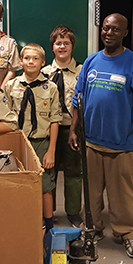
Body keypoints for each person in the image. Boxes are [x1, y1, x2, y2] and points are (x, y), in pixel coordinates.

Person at [68, 13, 133, 259]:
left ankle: (128, 234)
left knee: (122, 194)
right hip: (91, 141)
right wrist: (73, 129)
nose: (108, 33)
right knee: (90, 193)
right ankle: (91, 229)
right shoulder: (91, 61)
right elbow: (78, 99)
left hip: (121, 143)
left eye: (115, 29)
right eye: (105, 28)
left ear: (125, 32)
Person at [4, 43, 62, 232]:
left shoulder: (51, 87)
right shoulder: (11, 86)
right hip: (17, 141)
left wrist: (51, 150)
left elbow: (55, 120)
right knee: (17, 183)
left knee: (45, 185)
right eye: (27, 58)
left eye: (35, 58)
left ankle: (49, 224)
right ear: (20, 61)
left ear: (43, 62)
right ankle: (22, 217)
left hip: (41, 143)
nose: (31, 61)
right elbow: (5, 115)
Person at [41, 25, 83, 228]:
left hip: (72, 128)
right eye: (58, 43)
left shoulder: (82, 72)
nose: (62, 46)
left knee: (74, 171)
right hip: (49, 130)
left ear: (72, 46)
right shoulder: (44, 73)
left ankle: (74, 212)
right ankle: (49, 211)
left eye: (66, 43)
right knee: (49, 170)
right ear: (52, 47)